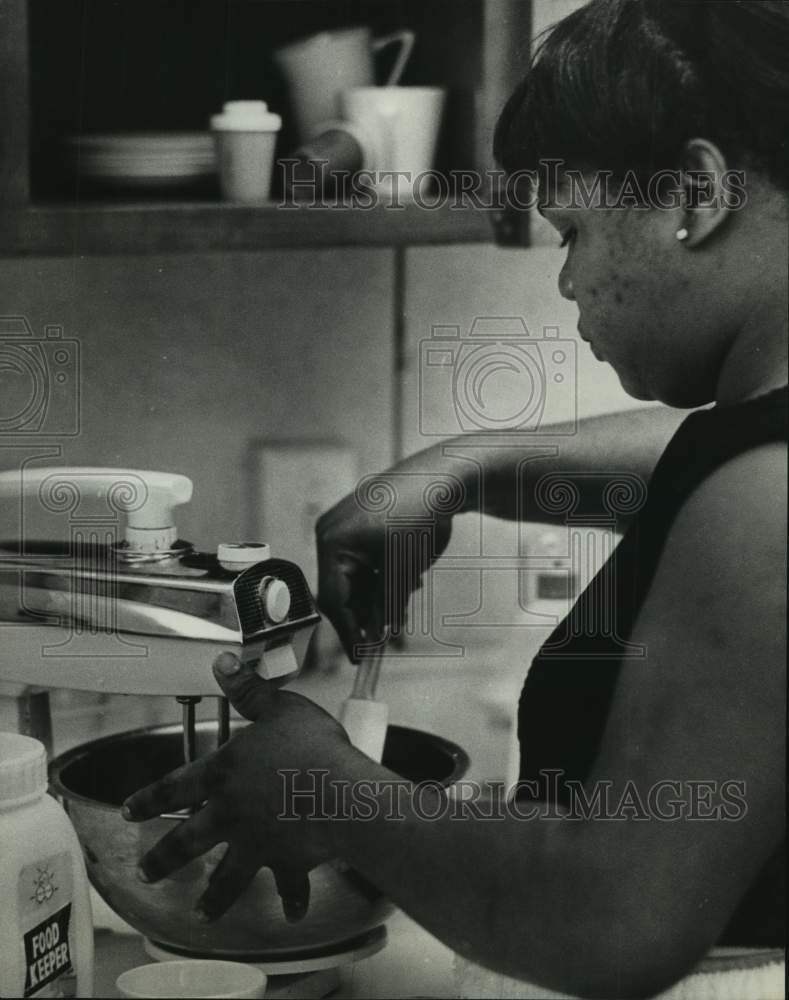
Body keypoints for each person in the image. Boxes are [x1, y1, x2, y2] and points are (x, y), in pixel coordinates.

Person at [122, 1, 787, 996]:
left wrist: (333, 791)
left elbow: (610, 922)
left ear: (694, 192)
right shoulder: (753, 450)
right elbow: (704, 461)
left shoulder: (763, 501)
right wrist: (465, 468)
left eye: (572, 229)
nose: (566, 281)